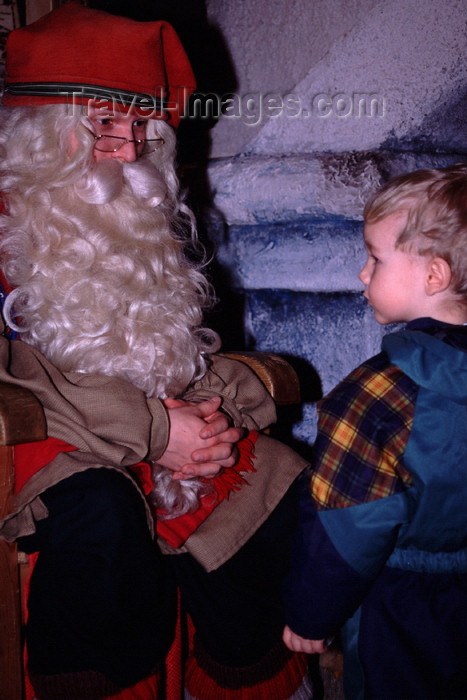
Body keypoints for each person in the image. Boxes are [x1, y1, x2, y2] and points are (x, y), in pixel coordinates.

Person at [0, 3, 311, 699]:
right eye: (108, 123)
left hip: (143, 427)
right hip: (32, 444)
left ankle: (239, 678)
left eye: (143, 126)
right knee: (102, 515)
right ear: (42, 135)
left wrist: (209, 411)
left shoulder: (124, 215)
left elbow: (167, 350)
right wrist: (156, 431)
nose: (131, 150)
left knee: (268, 474)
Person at [282, 162, 467, 700]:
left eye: (375, 258)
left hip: (400, 607)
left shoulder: (376, 393)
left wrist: (310, 613)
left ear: (434, 276)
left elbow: (343, 521)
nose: (363, 275)